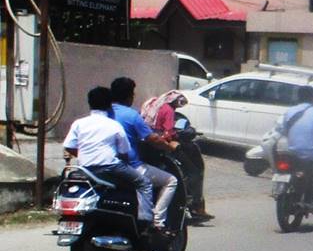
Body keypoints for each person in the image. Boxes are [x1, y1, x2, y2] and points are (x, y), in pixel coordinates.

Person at [63, 87, 154, 225]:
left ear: (89, 103)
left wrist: (83, 155)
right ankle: (145, 222)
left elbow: (69, 146)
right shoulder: (114, 125)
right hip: (111, 167)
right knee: (144, 183)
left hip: (86, 169)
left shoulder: (79, 123)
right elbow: (124, 153)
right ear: (109, 105)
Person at [110, 77, 179, 234]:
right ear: (129, 96)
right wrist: (169, 147)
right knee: (171, 181)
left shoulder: (104, 114)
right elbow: (152, 139)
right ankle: (156, 222)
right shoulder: (132, 115)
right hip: (130, 166)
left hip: (104, 166)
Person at [141, 91, 213, 220]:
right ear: (173, 101)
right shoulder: (168, 109)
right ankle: (195, 203)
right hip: (163, 144)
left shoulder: (155, 106)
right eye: (178, 103)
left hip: (149, 144)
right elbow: (169, 132)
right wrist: (175, 137)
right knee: (193, 171)